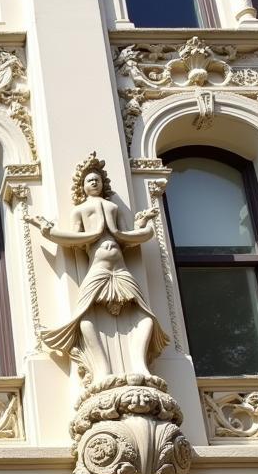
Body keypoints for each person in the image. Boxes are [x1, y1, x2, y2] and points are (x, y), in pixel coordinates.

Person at [27, 153, 169, 384]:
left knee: (146, 316)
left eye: (97, 179)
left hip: (120, 268)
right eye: (89, 180)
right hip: (98, 267)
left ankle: (141, 366)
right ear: (82, 187)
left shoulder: (113, 207)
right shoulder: (79, 210)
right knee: (84, 313)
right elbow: (74, 238)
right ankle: (102, 370)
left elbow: (129, 236)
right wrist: (48, 231)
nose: (94, 182)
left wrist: (142, 226)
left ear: (103, 184)